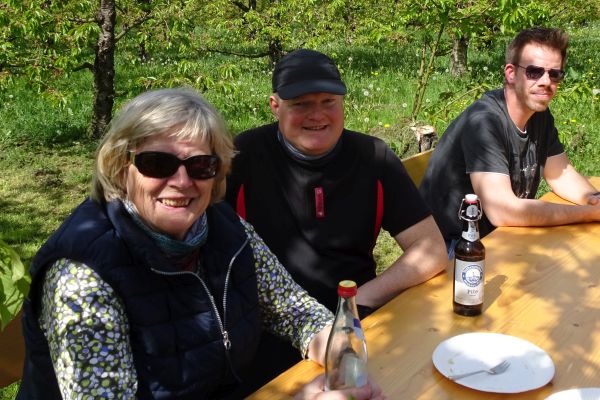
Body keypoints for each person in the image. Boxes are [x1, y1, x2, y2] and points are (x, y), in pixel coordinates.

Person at [17, 88, 384, 400]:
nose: (181, 181)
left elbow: (294, 310)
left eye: (200, 166)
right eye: (157, 163)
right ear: (120, 167)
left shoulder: (225, 228)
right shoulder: (82, 278)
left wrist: (344, 359)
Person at [225, 49, 447, 391]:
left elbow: (431, 249)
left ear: (343, 102)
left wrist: (356, 303)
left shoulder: (373, 157)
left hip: (361, 322)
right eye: (301, 104)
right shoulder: (244, 157)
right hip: (269, 331)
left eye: (328, 101)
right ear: (275, 105)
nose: (317, 115)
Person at [420, 27, 600, 254]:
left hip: (500, 237)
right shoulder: (484, 123)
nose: (546, 81)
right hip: (452, 246)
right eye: (534, 72)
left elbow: (560, 174)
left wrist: (593, 199)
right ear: (511, 73)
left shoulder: (539, 115)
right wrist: (587, 214)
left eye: (555, 74)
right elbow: (502, 210)